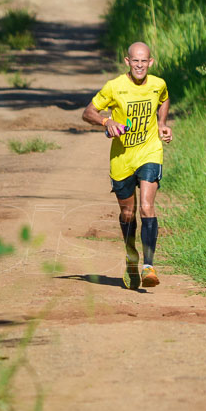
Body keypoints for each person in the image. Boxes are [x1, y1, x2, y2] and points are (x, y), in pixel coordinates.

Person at [82, 41, 172, 289]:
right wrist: (105, 122)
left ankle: (149, 266)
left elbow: (164, 99)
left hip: (149, 152)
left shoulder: (158, 84)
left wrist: (162, 124)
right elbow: (88, 112)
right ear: (127, 62)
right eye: (135, 61)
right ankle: (131, 256)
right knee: (127, 213)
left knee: (146, 206)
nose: (140, 65)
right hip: (122, 159)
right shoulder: (114, 87)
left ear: (150, 62)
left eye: (144, 61)